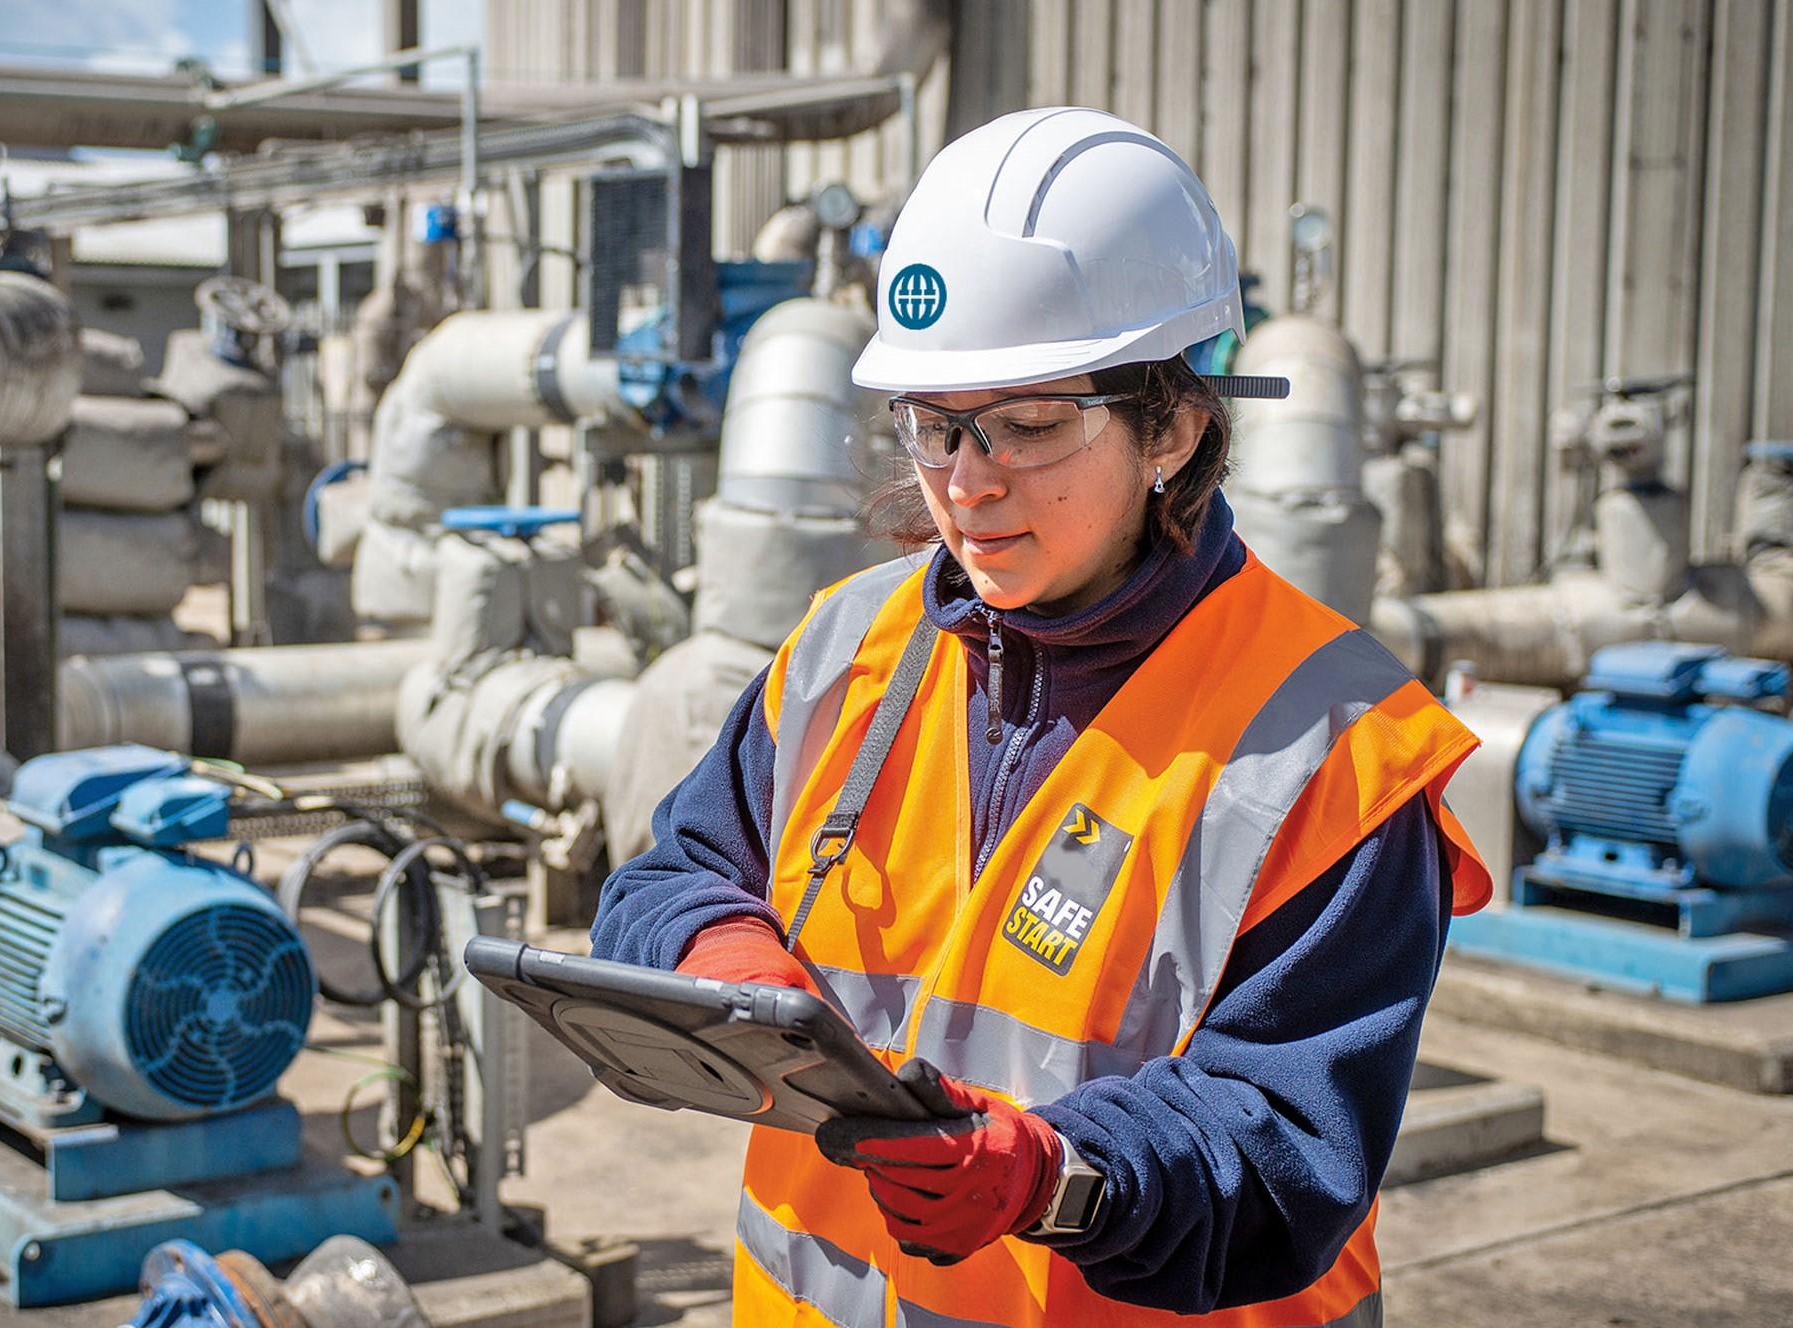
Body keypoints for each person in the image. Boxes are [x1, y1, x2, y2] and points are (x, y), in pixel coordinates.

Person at [590, 107, 1493, 1327]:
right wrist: (716, 961)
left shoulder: (1331, 749)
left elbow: (1285, 1146)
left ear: (1170, 425)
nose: (965, 481)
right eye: (931, 422)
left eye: (1025, 424)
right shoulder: (841, 652)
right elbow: (671, 874)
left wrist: (1051, 1175)